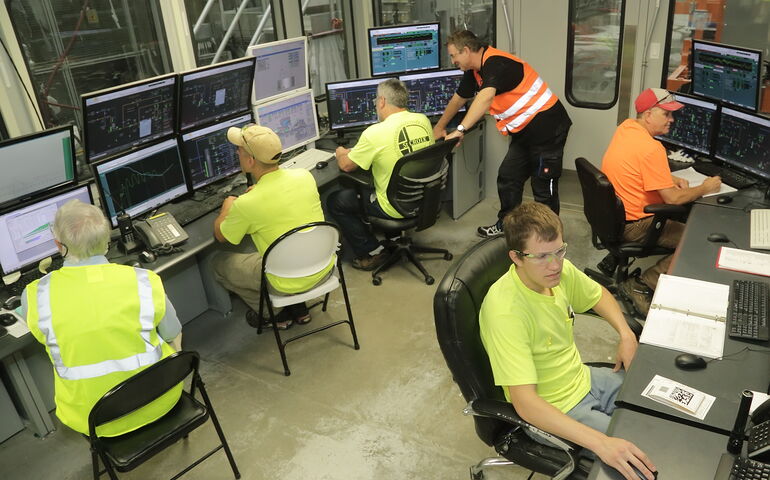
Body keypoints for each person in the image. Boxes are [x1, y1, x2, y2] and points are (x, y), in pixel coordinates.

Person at [479, 202, 656, 480]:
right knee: (643, 463)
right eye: (541, 257)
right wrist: (601, 442)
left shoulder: (557, 272)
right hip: (554, 409)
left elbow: (598, 295)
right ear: (516, 257)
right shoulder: (505, 312)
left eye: (559, 251)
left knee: (662, 412)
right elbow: (526, 403)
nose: (555, 265)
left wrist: (626, 334)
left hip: (584, 378)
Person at [21, 199, 183, 437]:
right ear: (107, 241)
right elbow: (172, 333)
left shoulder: (35, 295)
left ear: (59, 245)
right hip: (160, 399)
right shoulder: (143, 280)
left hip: (95, 419)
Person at [433, 30, 572, 238]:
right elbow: (458, 99)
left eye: (453, 55)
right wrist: (440, 127)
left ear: (467, 50)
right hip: (524, 132)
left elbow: (486, 98)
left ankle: (551, 237)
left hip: (549, 129)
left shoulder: (496, 63)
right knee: (508, 177)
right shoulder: (475, 71)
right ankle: (507, 225)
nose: (452, 61)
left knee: (542, 186)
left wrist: (460, 130)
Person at [602, 88, 721, 316]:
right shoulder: (651, 148)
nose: (672, 119)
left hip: (615, 217)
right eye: (666, 114)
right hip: (636, 224)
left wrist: (670, 177)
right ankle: (642, 284)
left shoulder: (626, 129)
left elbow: (634, 167)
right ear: (648, 115)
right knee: (698, 242)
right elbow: (672, 198)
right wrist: (705, 188)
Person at [213, 124, 333, 330]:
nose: (236, 153)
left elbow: (221, 236)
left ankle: (275, 314)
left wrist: (227, 207)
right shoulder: (304, 177)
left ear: (250, 161)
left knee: (218, 263)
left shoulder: (247, 204)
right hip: (323, 268)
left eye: (239, 150)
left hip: (285, 281)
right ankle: (299, 308)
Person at [327, 78, 434, 270]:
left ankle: (371, 252)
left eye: (376, 100)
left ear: (382, 101)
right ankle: (390, 238)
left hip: (393, 207)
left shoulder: (374, 133)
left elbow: (346, 166)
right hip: (425, 199)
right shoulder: (422, 120)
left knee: (336, 201)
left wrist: (341, 152)